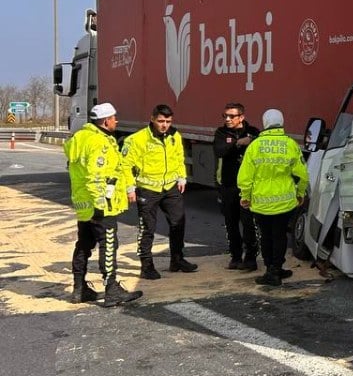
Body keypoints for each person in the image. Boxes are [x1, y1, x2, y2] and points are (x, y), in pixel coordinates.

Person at [64, 103, 143, 307]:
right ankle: (111, 290)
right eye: (114, 118)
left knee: (83, 245)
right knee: (108, 246)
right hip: (100, 205)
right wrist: (100, 204)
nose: (116, 121)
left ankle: (79, 289)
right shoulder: (100, 142)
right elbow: (96, 176)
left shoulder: (80, 138)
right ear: (106, 120)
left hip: (83, 203)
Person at [122, 104, 197, 278]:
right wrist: (130, 188)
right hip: (148, 189)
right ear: (152, 119)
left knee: (178, 223)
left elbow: (179, 157)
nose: (164, 125)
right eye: (161, 121)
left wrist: (181, 177)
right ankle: (146, 265)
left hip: (170, 187)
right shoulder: (137, 139)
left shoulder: (174, 136)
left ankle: (177, 260)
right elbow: (125, 165)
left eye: (168, 121)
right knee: (147, 228)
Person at [237, 109, 308, 287]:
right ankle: (277, 268)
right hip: (284, 202)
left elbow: (245, 177)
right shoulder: (291, 145)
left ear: (265, 123)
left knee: (266, 236)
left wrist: (245, 196)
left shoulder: (255, 146)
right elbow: (302, 175)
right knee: (280, 236)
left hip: (260, 203)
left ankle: (271, 270)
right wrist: (300, 194)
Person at [213, 102, 260, 271]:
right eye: (225, 116)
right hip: (228, 185)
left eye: (231, 116)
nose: (227, 119)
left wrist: (251, 140)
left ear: (241, 117)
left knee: (248, 223)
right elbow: (220, 151)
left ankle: (250, 257)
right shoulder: (221, 133)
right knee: (231, 223)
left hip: (248, 187)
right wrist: (239, 143)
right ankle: (235, 256)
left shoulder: (254, 132)